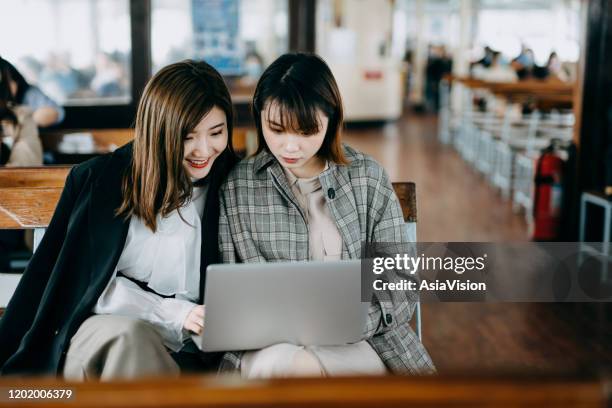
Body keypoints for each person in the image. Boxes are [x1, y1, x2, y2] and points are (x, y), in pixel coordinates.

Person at [0, 60, 237, 379]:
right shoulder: (102, 181)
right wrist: (175, 313)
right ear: (159, 132)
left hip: (194, 349)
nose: (204, 150)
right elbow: (85, 285)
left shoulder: (231, 182)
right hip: (104, 336)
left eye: (216, 133)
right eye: (188, 136)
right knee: (131, 341)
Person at [217, 53, 435, 378]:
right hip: (268, 346)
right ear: (259, 116)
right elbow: (228, 288)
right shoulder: (239, 185)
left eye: (306, 131)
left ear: (330, 118)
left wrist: (358, 322)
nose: (290, 146)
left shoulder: (366, 178)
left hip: (361, 340)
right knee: (286, 366)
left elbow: (401, 282)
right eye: (276, 129)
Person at [0, 57, 64, 127]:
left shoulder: (30, 94)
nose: (5, 90)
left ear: (16, 80)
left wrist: (29, 119)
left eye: (6, 83)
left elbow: (56, 112)